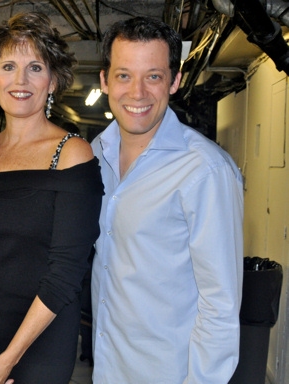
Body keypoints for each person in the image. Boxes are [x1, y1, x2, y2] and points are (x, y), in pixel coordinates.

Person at [0, 12, 103, 384]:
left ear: (52, 81)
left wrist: (7, 362)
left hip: (42, 341)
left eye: (35, 67)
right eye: (9, 66)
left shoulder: (72, 154)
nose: (21, 80)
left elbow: (66, 271)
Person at [90, 16, 244, 383]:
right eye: (124, 75)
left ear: (174, 81)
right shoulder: (94, 154)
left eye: (154, 76)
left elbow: (220, 304)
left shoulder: (204, 170)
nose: (138, 92)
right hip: (109, 366)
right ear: (104, 80)